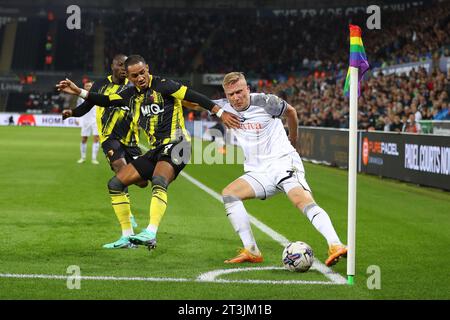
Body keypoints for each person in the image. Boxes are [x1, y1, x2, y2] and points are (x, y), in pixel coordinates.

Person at [57, 55, 240, 250]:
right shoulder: (128, 95)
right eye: (135, 75)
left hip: (178, 145)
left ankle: (151, 233)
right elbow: (104, 100)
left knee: (159, 179)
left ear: (148, 69)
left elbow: (194, 96)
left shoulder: (164, 85)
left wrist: (221, 113)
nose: (140, 78)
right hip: (157, 150)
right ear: (128, 76)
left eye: (143, 72)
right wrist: (79, 92)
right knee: (116, 183)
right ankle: (127, 237)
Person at [215, 72, 347, 267]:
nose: (236, 97)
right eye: (231, 94)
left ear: (248, 89)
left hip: (283, 161)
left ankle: (335, 244)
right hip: (259, 172)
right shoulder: (224, 107)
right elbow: (191, 101)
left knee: (299, 199)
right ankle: (251, 250)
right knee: (229, 194)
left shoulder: (266, 102)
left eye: (240, 91)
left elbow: (291, 112)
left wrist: (293, 142)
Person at [62, 54, 143, 248]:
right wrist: (72, 112)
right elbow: (87, 105)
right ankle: (127, 230)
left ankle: (128, 216)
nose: (124, 68)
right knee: (120, 171)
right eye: (120, 64)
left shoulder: (134, 86)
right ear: (112, 66)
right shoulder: (100, 84)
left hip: (131, 139)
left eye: (126, 65)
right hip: (110, 138)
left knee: (141, 182)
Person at [75, 80, 100, 164]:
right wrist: (77, 119)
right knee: (84, 139)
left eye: (90, 86)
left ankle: (94, 159)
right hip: (85, 120)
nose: (88, 87)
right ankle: (83, 157)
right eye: (87, 86)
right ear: (84, 87)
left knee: (96, 139)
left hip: (96, 121)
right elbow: (78, 108)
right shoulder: (81, 98)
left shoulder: (97, 96)